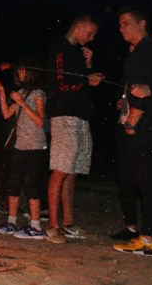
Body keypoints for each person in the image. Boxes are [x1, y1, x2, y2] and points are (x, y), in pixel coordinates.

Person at [44, 14, 104, 244]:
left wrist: (88, 66)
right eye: (89, 33)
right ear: (79, 27)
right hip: (64, 115)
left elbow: (80, 83)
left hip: (81, 117)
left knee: (73, 170)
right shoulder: (60, 47)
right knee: (60, 168)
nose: (91, 38)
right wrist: (86, 79)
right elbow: (60, 83)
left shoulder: (78, 53)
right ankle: (52, 226)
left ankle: (68, 223)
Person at [111, 6, 152, 256]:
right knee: (145, 181)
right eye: (119, 24)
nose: (121, 28)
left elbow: (142, 91)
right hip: (145, 125)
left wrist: (132, 123)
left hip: (144, 127)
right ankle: (148, 235)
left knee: (147, 181)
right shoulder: (146, 50)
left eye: (126, 23)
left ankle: (149, 240)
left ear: (142, 23)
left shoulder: (145, 50)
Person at [0, 58, 47, 240]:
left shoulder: (38, 94)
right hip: (19, 145)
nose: (20, 73)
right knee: (14, 183)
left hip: (34, 146)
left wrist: (23, 104)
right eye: (19, 71)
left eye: (23, 70)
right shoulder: (21, 92)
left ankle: (36, 226)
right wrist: (2, 94)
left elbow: (41, 121)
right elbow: (6, 114)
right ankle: (11, 221)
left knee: (30, 183)